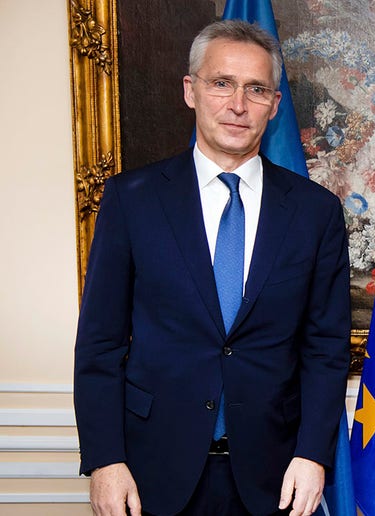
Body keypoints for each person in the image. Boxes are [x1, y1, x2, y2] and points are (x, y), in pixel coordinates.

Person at [73, 20, 351, 516]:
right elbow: (100, 343)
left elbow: (325, 348)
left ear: (275, 104)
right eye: (222, 83)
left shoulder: (316, 212)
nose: (238, 105)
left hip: (276, 475)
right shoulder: (131, 200)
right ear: (191, 91)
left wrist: (312, 455)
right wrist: (104, 461)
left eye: (256, 89)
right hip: (149, 471)